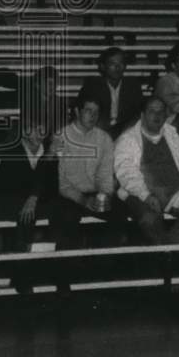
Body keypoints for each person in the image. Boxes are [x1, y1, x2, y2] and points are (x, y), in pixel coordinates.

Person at [114, 96, 179, 244]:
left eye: (161, 112)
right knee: (150, 220)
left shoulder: (171, 133)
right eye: (152, 111)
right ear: (142, 115)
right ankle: (166, 253)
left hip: (174, 194)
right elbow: (126, 174)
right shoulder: (127, 139)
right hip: (142, 194)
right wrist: (146, 196)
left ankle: (169, 248)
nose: (157, 116)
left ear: (166, 115)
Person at [49, 94, 127, 249]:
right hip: (68, 195)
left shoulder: (104, 138)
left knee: (121, 213)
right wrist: (82, 200)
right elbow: (61, 182)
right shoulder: (61, 137)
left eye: (96, 112)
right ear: (77, 111)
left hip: (94, 193)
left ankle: (106, 263)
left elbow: (106, 173)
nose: (93, 116)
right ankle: (69, 266)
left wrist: (104, 195)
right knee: (67, 218)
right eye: (88, 111)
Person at [0, 119, 58, 253]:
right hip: (8, 201)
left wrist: (33, 198)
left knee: (57, 208)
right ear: (24, 132)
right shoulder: (13, 153)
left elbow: (51, 186)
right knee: (26, 212)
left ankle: (44, 257)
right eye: (34, 129)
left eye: (42, 129)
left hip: (37, 202)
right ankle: (21, 257)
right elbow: (7, 189)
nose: (39, 133)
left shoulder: (49, 153)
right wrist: (32, 198)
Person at [78, 47, 142, 140]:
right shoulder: (92, 85)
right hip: (99, 129)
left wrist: (127, 128)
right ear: (103, 66)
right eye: (112, 63)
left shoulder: (132, 85)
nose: (117, 67)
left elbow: (139, 112)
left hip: (125, 130)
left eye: (121, 63)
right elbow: (84, 113)